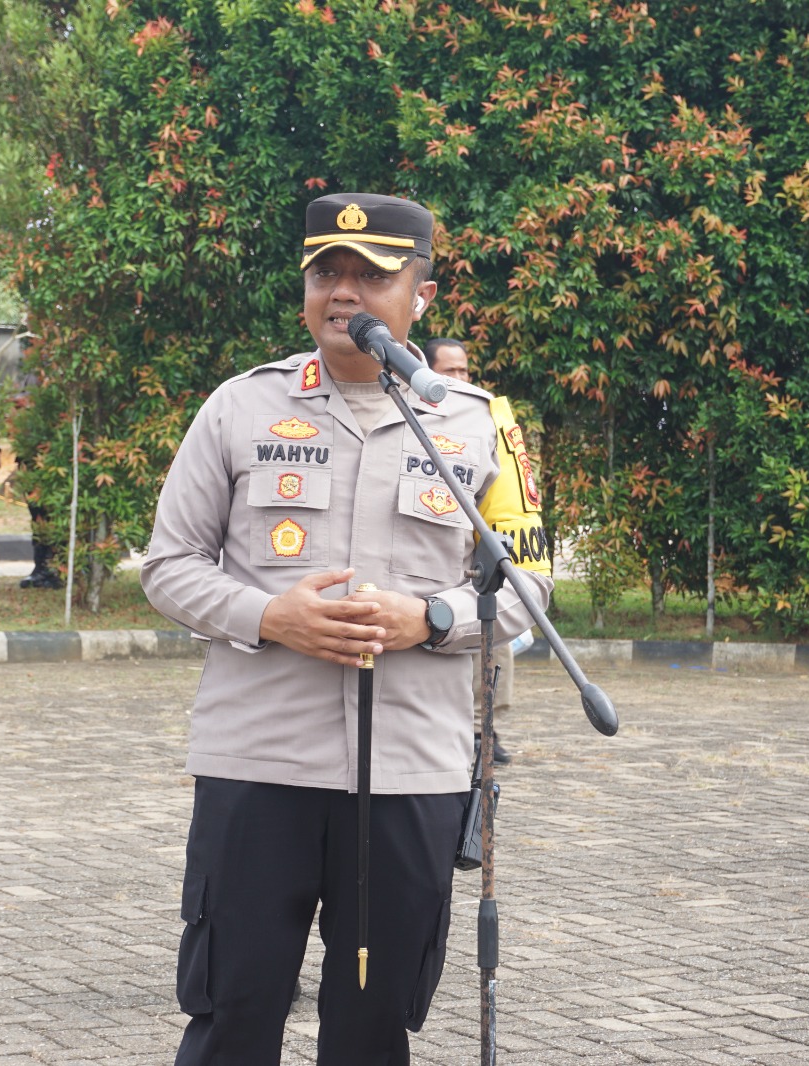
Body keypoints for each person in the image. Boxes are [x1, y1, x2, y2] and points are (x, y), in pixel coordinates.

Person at [141, 192, 553, 1064]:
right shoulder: (239, 409)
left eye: (372, 275)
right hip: (260, 761)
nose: (344, 293)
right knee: (233, 1011)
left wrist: (432, 618)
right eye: (327, 272)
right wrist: (269, 614)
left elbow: (529, 585)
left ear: (422, 297)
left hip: (410, 770)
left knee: (371, 1027)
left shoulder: (476, 427)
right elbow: (168, 566)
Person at [424, 336, 517, 766]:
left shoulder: (483, 420)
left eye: (464, 370)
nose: (460, 378)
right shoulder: (413, 418)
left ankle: (488, 731)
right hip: (437, 572)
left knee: (497, 645)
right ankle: (467, 732)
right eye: (450, 371)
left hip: (480, 566)